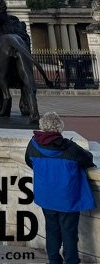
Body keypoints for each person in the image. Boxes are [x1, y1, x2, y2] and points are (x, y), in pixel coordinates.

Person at [24, 111, 96, 264]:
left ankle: (54, 261)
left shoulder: (33, 144)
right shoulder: (69, 147)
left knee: (52, 230)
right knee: (69, 232)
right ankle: (71, 261)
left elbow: (29, 161)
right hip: (67, 198)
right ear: (59, 128)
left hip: (46, 197)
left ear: (43, 126)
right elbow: (88, 160)